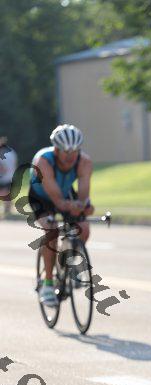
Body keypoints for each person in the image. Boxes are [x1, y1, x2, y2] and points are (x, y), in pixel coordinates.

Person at [29, 124, 95, 307]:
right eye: (66, 151)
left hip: (65, 193)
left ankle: (70, 262)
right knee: (51, 231)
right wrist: (73, 207)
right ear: (56, 149)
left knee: (83, 228)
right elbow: (58, 201)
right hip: (41, 198)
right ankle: (48, 283)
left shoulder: (84, 162)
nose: (70, 156)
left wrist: (84, 207)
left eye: (75, 151)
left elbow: (83, 198)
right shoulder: (43, 161)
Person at [0, 137, 17, 217]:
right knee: (7, 194)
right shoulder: (12, 152)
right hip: (11, 176)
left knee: (4, 193)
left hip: (3, 177)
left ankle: (7, 212)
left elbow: (3, 169)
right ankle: (8, 212)